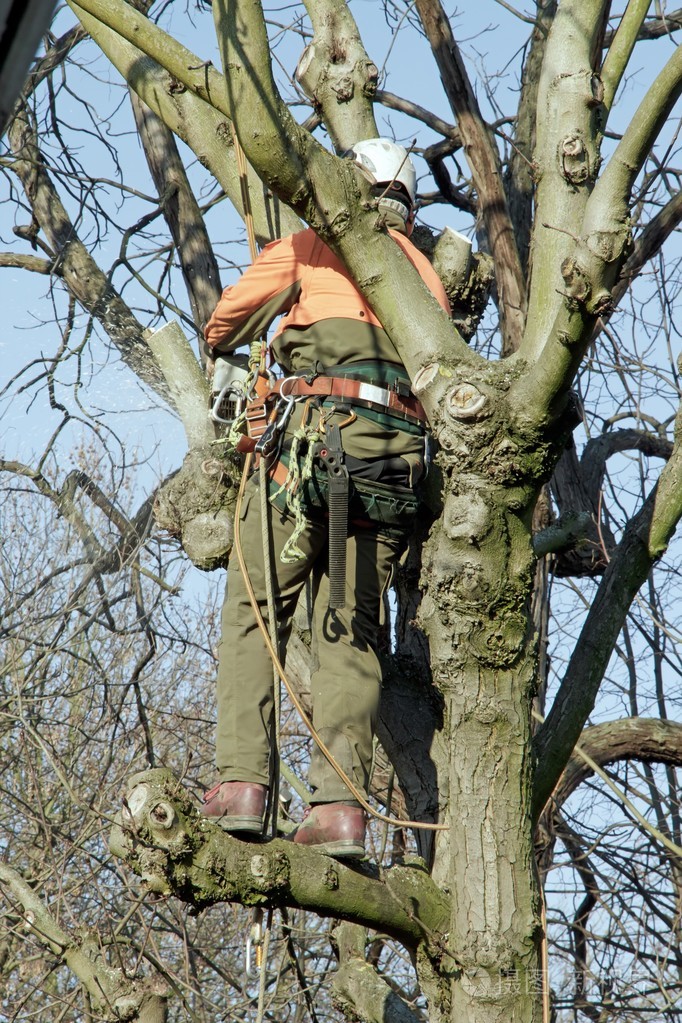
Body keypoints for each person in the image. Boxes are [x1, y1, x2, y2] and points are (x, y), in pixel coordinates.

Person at [201, 139, 451, 858]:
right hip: (393, 478)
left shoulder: (312, 246)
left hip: (306, 457)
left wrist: (275, 329)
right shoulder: (428, 278)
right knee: (351, 634)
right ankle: (340, 807)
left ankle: (243, 784)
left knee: (255, 611)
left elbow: (222, 324)